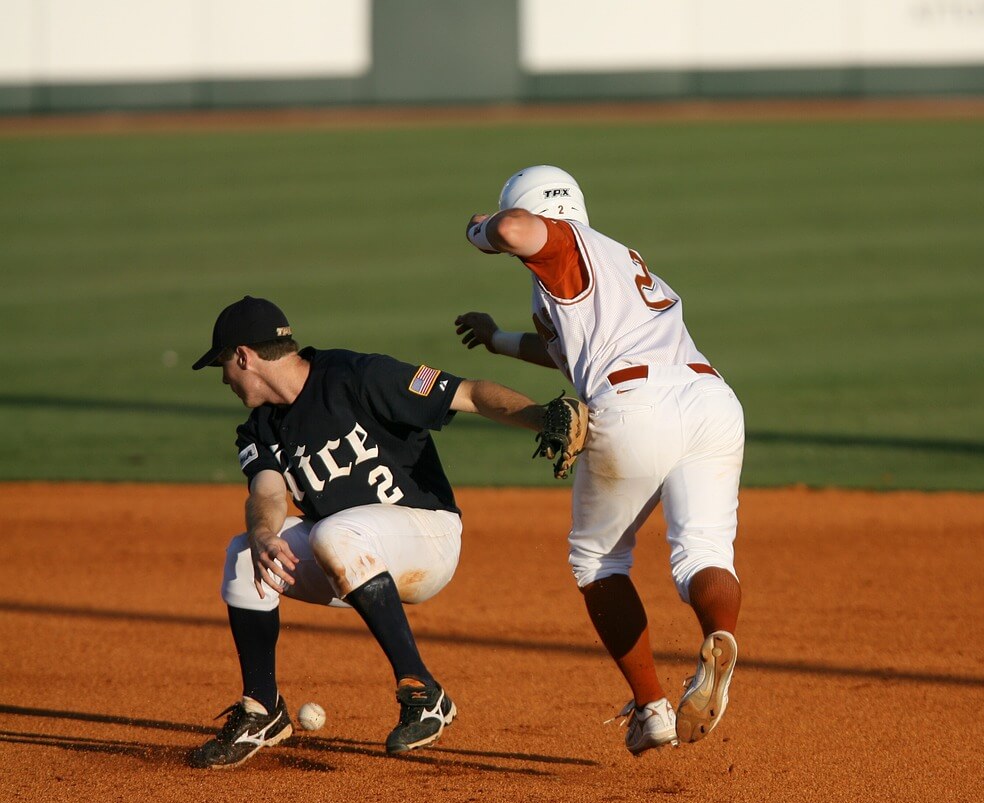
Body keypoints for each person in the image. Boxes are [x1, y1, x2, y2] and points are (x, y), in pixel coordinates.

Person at [188, 295, 559, 769]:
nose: (224, 378)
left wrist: (540, 417)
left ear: (244, 356)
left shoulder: (358, 374)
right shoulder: (259, 429)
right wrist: (263, 533)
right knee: (243, 554)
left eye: (223, 364)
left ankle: (423, 692)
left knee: (334, 534)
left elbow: (466, 392)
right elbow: (267, 491)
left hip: (428, 536)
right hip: (352, 552)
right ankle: (262, 709)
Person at [455, 166, 745, 756]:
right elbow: (566, 350)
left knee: (597, 562)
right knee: (704, 553)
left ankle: (653, 709)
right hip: (711, 398)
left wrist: (478, 229)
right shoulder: (613, 264)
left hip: (635, 406)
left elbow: (512, 229)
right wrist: (497, 339)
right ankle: (720, 636)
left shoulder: (562, 242)